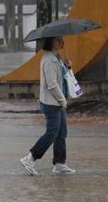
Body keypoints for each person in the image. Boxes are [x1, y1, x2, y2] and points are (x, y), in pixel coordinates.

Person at [20, 36, 76, 176]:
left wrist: (68, 68)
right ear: (50, 42)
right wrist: (62, 100)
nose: (62, 42)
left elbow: (64, 79)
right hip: (51, 103)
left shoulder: (57, 57)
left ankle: (59, 164)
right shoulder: (48, 60)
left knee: (61, 133)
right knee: (52, 133)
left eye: (62, 39)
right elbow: (51, 84)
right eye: (58, 40)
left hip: (58, 101)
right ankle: (30, 158)